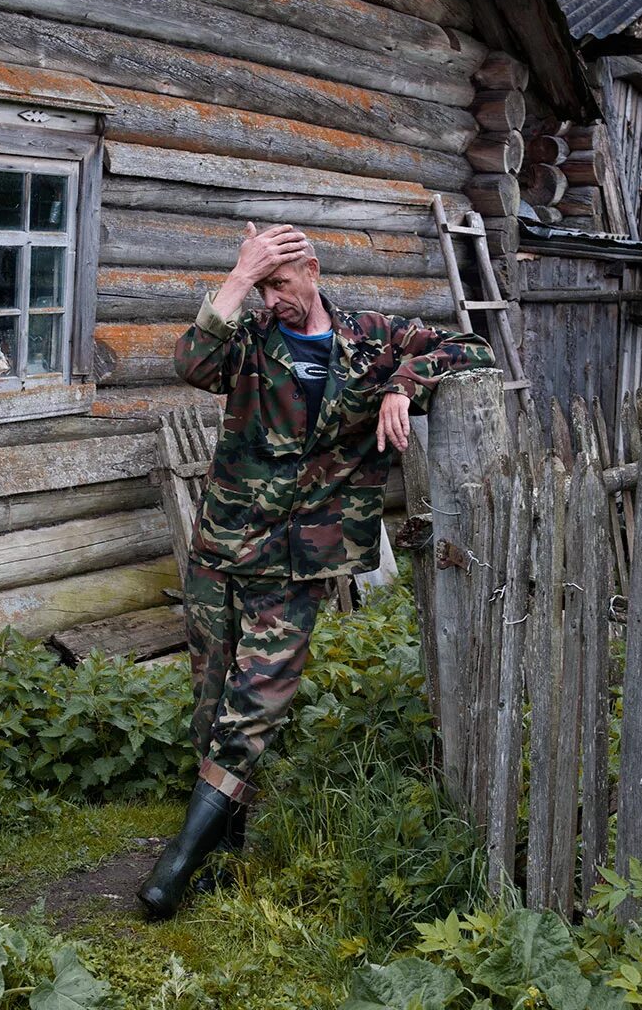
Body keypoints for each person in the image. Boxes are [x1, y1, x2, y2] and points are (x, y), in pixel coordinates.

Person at [137, 222, 494, 918]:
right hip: (223, 551)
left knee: (256, 702)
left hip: (301, 562)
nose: (275, 299)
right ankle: (220, 853)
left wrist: (402, 384)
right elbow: (190, 363)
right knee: (212, 704)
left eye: (281, 283)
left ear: (314, 271)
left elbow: (469, 346)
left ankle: (174, 866)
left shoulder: (370, 337)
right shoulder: (248, 338)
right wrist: (239, 278)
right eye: (262, 287)